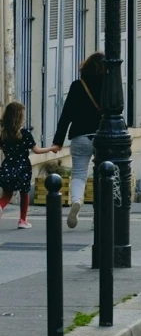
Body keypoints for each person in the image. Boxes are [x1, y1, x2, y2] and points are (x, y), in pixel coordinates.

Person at [50, 51, 104, 229]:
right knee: (104, 176)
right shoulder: (109, 85)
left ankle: (76, 201)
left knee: (79, 175)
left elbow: (66, 115)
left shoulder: (77, 86)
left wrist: (58, 141)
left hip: (80, 136)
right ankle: (99, 216)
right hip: (103, 137)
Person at [0, 102, 53, 229]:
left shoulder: (4, 134)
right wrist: (51, 148)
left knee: (7, 194)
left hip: (7, 165)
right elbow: (36, 150)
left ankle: (0, 206)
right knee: (25, 193)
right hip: (23, 167)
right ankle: (23, 220)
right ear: (20, 118)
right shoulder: (25, 134)